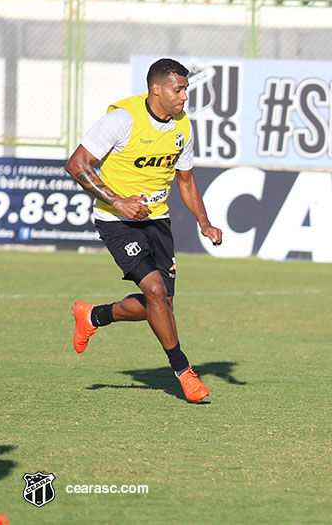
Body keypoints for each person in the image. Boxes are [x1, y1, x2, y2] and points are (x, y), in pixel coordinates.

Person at [65, 58, 223, 403]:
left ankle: (93, 316)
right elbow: (77, 165)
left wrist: (204, 221)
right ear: (157, 89)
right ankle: (184, 371)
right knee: (153, 289)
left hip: (157, 220)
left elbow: (186, 179)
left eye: (186, 89)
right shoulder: (122, 120)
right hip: (117, 221)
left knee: (161, 304)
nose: (184, 96)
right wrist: (117, 201)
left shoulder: (182, 126)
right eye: (178, 89)